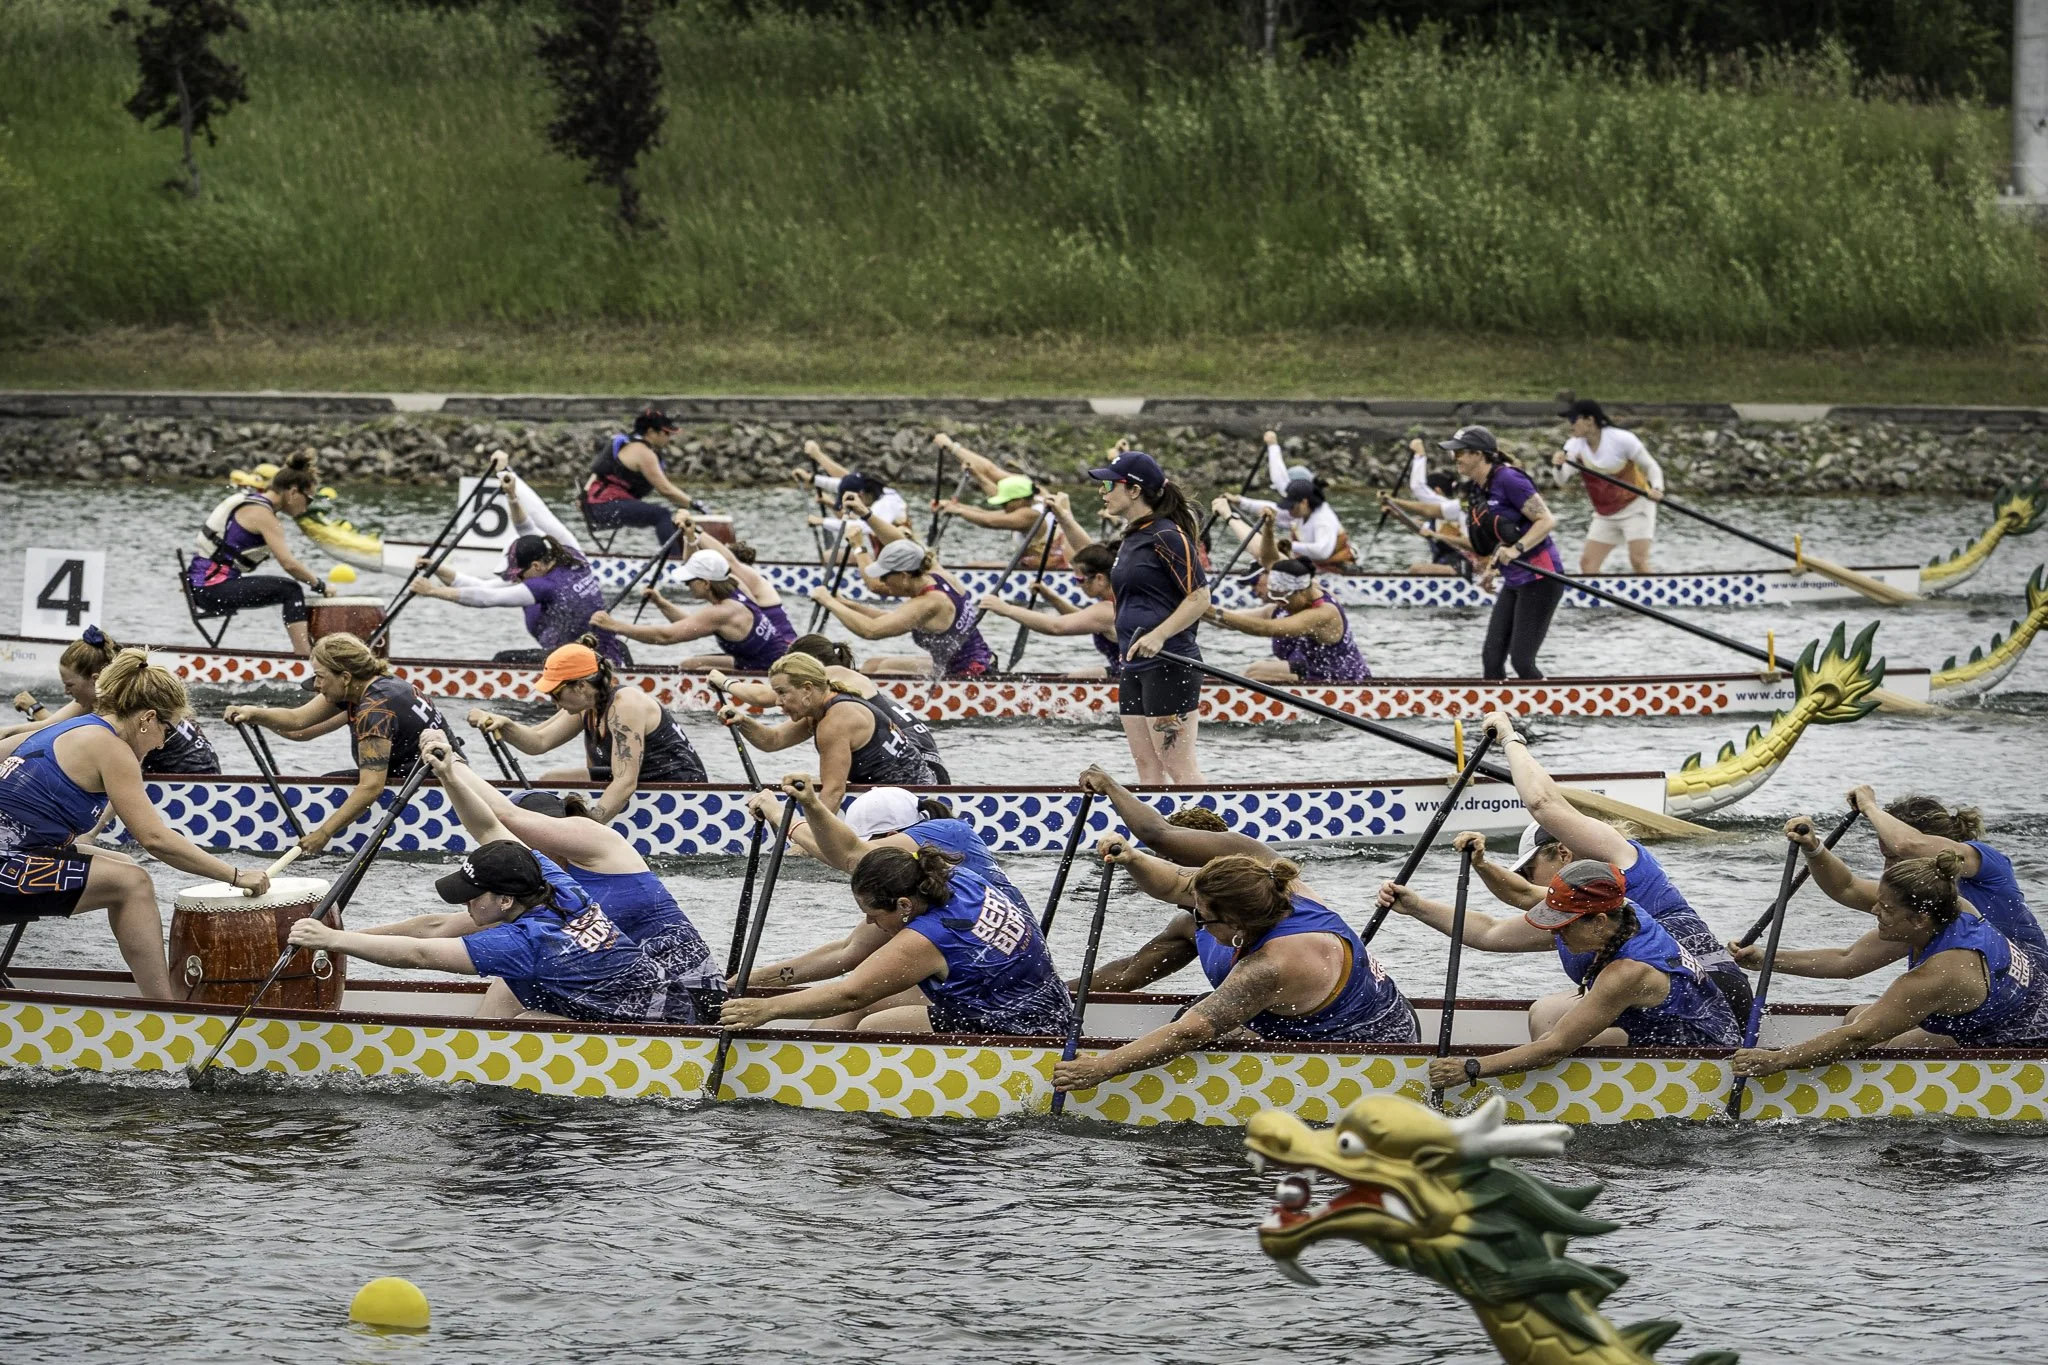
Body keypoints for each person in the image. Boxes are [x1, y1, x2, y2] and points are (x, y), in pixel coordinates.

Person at [1438, 710, 1752, 1019]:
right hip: (1664, 1005)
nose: (1530, 882)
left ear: (1563, 852)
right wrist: (1415, 903)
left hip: (1714, 993)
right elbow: (1489, 933)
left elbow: (1542, 806)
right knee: (1548, 1011)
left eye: (1528, 871)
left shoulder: (1621, 860)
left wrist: (1509, 737)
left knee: (1548, 1015)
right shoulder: (1577, 917)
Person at [0, 649, 270, 997]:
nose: (161, 744)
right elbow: (154, 839)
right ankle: (165, 1009)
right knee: (133, 884)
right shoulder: (113, 748)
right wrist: (235, 875)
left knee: (123, 863)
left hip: (19, 853)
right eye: (166, 731)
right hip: (9, 864)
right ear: (148, 718)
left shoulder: (69, 727)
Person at [1052, 848, 1415, 1094]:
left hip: (1370, 1052)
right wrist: (1132, 857)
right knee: (1194, 994)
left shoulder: (1272, 965)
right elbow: (1171, 886)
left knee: (1195, 1023)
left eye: (1202, 914)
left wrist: (1100, 1069)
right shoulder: (1267, 888)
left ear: (1235, 923)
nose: (1193, 915)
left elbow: (1187, 1034)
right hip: (1309, 1018)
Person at [414, 735, 722, 1017]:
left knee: (515, 978)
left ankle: (481, 1049)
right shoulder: (536, 892)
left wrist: (452, 764)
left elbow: (501, 818)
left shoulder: (599, 843)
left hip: (692, 998)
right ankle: (480, 1049)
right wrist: (379, 937)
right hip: (629, 1002)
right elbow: (439, 926)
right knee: (518, 970)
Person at [289, 835, 691, 1025]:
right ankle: (477, 1050)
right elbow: (432, 927)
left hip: (660, 1033)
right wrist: (449, 772)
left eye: (472, 895)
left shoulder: (524, 942)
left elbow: (419, 954)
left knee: (530, 1021)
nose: (465, 903)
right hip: (671, 1002)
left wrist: (332, 940)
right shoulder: (557, 885)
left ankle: (478, 1065)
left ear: (504, 901)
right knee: (509, 984)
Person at [1410, 859, 1741, 1089]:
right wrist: (1416, 905)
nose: (1555, 932)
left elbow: (1554, 1048)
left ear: (1598, 922)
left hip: (1698, 1051)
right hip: (1655, 1017)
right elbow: (1500, 918)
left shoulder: (1627, 973)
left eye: (1563, 925)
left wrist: (1470, 1068)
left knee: (1552, 1043)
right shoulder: (1618, 909)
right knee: (1544, 1012)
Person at [1730, 853, 2048, 1081]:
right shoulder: (1948, 912)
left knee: (1884, 1044)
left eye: (1885, 908)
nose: (1874, 910)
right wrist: (1766, 960)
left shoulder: (1939, 975)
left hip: (2026, 1046)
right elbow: (1847, 960)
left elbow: (1858, 1038)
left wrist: (1778, 1060)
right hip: (2008, 1010)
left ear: (1918, 919)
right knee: (1857, 1016)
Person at [720, 845, 1072, 1036]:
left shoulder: (926, 939)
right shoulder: (949, 878)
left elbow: (850, 993)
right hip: (1043, 1005)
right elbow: (848, 952)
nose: (868, 922)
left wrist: (767, 1010)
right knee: (868, 1000)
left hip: (1019, 1028)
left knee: (874, 1025)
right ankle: (805, 1063)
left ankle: (824, 1086)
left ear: (903, 905)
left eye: (872, 914)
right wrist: (751, 980)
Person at [223, 634, 449, 857]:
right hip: (435, 774)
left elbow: (372, 787)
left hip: (437, 791)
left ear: (345, 677)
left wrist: (324, 833)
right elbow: (297, 724)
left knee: (335, 788)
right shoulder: (374, 686)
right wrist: (253, 713)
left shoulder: (375, 711)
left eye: (320, 677)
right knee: (332, 780)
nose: (316, 685)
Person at [466, 640, 706, 819]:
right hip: (639, 777)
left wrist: (587, 828)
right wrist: (503, 723)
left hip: (681, 790)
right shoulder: (586, 705)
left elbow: (625, 783)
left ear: (581, 686)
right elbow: (538, 741)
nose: (554, 703)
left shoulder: (626, 706)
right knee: (550, 780)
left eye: (556, 694)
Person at [407, 471, 624, 664]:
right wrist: (511, 496)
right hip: (601, 652)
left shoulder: (544, 586)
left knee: (502, 660)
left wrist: (432, 591)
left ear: (536, 566)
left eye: (518, 573)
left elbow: (485, 598)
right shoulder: (572, 555)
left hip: (583, 665)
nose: (515, 579)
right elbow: (525, 528)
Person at [1088, 450, 1210, 786]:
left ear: (1134, 490)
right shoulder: (1131, 537)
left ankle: (1209, 821)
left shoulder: (1167, 536)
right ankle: (1158, 822)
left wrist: (1158, 635)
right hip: (1133, 664)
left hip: (1170, 661)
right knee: (1147, 765)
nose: (1102, 492)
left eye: (1109, 485)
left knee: (1178, 765)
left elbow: (1200, 597)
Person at [1792, 788, 2043, 950]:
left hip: (2032, 988)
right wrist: (1813, 848)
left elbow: (1908, 844)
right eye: (1885, 857)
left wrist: (1870, 807)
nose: (1887, 869)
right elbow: (1846, 889)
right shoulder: (1914, 900)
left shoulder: (1986, 863)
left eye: (1894, 858)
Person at [753, 773, 1030, 917]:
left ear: (892, 834)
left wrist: (787, 812)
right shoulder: (910, 880)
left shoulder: (949, 831)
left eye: (871, 842)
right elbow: (849, 951)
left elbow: (852, 858)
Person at [709, 636, 948, 783]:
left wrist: (725, 682)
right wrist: (742, 721)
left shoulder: (836, 689)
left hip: (921, 770)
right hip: (910, 758)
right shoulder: (822, 703)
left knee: (828, 781)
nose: (780, 701)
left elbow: (762, 697)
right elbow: (773, 740)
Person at [4, 627, 218, 773]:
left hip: (194, 776)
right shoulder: (98, 695)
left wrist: (94, 829)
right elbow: (48, 729)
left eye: (70, 685)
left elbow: (127, 772)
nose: (66, 692)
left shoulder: (125, 707)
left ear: (95, 679)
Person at [1444, 426, 1563, 680]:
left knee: (1522, 661)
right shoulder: (1481, 487)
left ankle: (1547, 703)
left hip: (1541, 577)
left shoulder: (1509, 479)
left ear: (1479, 454)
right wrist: (1492, 568)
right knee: (1492, 659)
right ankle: (1498, 705)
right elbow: (1505, 532)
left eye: (1460, 453)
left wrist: (1517, 549)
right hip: (1514, 579)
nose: (1455, 458)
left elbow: (1546, 520)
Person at [184, 451, 330, 655]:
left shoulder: (253, 502)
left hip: (202, 586)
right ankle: (304, 657)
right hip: (212, 589)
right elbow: (289, 564)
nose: (307, 507)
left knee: (287, 588)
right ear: (293, 492)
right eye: (310, 499)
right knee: (290, 590)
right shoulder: (264, 516)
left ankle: (304, 652)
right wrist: (321, 586)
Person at [590, 543, 794, 672]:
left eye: (689, 581)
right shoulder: (735, 588)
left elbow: (665, 636)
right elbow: (690, 625)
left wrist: (614, 625)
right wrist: (661, 603)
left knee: (690, 669)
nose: (686, 586)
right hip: (766, 660)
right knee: (690, 665)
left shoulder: (723, 612)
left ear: (706, 583)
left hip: (773, 672)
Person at [808, 538, 995, 678]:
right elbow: (890, 618)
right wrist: (847, 604)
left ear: (904, 576)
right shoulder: (938, 577)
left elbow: (871, 630)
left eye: (884, 577)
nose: (882, 583)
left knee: (874, 675)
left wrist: (828, 601)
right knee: (873, 665)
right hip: (962, 663)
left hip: (969, 675)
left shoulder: (930, 602)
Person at [1206, 556, 1370, 684]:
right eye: (1275, 597)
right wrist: (1200, 610)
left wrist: (1212, 612)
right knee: (1255, 669)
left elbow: (1265, 629)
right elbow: (1232, 620)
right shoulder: (1291, 600)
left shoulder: (1323, 613)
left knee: (1257, 675)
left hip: (1344, 682)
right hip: (1311, 673)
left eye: (1282, 598)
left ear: (1300, 592)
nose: (1279, 603)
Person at [975, 541, 1122, 679]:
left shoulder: (1107, 610)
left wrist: (1007, 609)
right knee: (1068, 679)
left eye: (1080, 580)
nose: (1078, 586)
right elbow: (1082, 618)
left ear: (1100, 579)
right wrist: (1051, 597)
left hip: (1128, 680)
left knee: (1067, 684)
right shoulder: (1118, 600)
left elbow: (1055, 627)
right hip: (1123, 671)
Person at [1551, 399, 1664, 575]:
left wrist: (1657, 488)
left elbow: (1651, 466)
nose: (1570, 425)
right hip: (1605, 513)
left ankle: (1657, 590)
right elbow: (1561, 480)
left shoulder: (1622, 439)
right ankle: (1596, 592)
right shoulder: (1573, 445)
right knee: (1587, 564)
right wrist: (1558, 466)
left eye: (1573, 420)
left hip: (1636, 506)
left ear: (1590, 420)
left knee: (1638, 561)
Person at [1215, 431, 1353, 571]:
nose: (1288, 510)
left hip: (1334, 571)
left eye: (1291, 506)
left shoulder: (1323, 520)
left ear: (1304, 503)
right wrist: (1240, 502)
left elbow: (1322, 552)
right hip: (1309, 569)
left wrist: (1288, 545)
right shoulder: (1303, 508)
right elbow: (1278, 493)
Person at [930, 433, 1066, 566]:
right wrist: (952, 506)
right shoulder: (1037, 497)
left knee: (975, 566)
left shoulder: (1029, 515)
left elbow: (989, 521)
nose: (1003, 506)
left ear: (1019, 500)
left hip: (1047, 574)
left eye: (1005, 503)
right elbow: (985, 511)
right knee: (976, 565)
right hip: (1031, 568)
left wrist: (959, 511)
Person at [582, 407, 699, 536]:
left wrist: (583, 498)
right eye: (666, 433)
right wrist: (695, 504)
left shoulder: (629, 444)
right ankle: (674, 550)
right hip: (605, 507)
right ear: (651, 432)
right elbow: (665, 490)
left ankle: (681, 546)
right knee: (662, 515)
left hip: (596, 506)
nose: (669, 437)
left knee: (666, 515)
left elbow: (598, 473)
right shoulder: (643, 452)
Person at [1382, 439, 1472, 576]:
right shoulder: (1444, 516)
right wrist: (1395, 513)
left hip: (1463, 565)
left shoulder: (1452, 506)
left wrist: (1419, 454)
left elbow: (1418, 488)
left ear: (1437, 491)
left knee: (1416, 569)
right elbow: (1421, 528)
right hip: (1451, 563)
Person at [795, 440, 910, 538]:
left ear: (860, 495)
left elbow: (863, 527)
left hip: (897, 555)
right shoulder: (875, 490)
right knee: (830, 554)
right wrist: (811, 479)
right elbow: (843, 483)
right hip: (883, 553)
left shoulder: (886, 504)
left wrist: (821, 521)